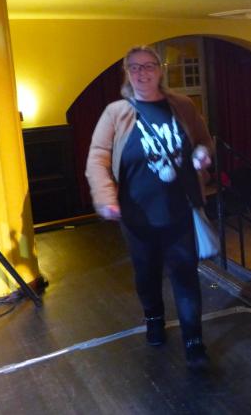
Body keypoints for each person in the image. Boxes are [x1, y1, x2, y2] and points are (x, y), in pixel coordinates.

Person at [86, 45, 214, 370]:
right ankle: (154, 318)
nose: (142, 72)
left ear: (160, 70)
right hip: (137, 215)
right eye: (135, 67)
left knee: (185, 276)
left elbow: (203, 140)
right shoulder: (116, 112)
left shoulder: (182, 105)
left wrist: (202, 154)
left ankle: (193, 340)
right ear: (127, 74)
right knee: (147, 273)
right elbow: (97, 158)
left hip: (180, 210)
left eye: (148, 66)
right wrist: (106, 198)